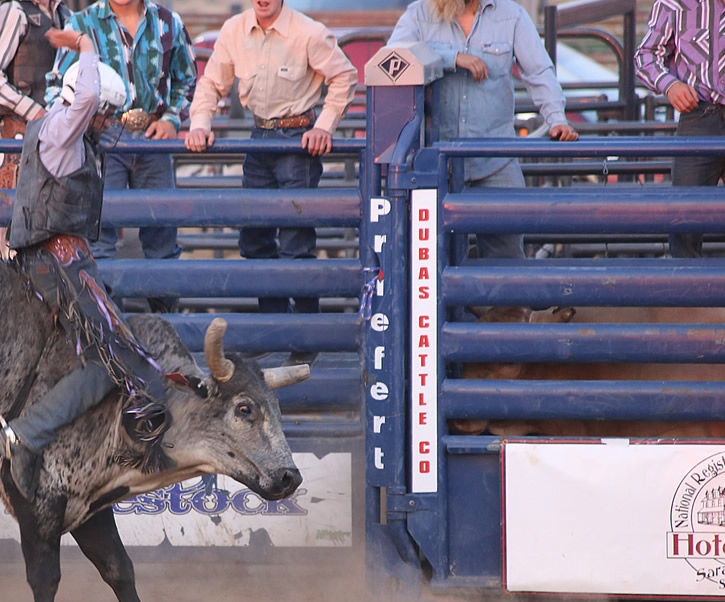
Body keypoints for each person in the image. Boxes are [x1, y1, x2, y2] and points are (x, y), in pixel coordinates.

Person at [0, 28, 171, 501]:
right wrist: (86, 47)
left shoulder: (56, 129)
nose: (107, 121)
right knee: (124, 362)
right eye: (106, 114)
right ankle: (31, 434)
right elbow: (89, 94)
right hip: (60, 264)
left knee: (114, 359)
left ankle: (40, 435)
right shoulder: (62, 128)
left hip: (60, 261)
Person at [185, 0, 357, 364]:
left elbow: (344, 76)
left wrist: (323, 126)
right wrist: (200, 121)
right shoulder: (234, 31)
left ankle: (305, 338)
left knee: (296, 243)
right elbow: (212, 81)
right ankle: (272, 329)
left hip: (298, 140)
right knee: (255, 237)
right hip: (259, 137)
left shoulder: (309, 33)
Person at [389, 0, 578, 261]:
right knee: (433, 259)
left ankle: (505, 301)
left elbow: (539, 72)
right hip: (436, 163)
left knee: (507, 254)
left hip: (495, 158)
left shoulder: (511, 16)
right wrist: (450, 57)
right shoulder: (420, 13)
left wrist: (556, 119)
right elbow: (395, 54)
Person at [48, 0, 198, 314]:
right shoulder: (82, 22)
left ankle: (167, 325)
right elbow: (57, 84)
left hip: (152, 139)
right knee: (99, 237)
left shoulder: (168, 22)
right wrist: (79, 124)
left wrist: (171, 118)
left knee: (162, 236)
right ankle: (111, 331)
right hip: (102, 138)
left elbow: (186, 78)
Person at [639, 0, 725, 258]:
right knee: (685, 224)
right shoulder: (674, 3)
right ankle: (690, 295)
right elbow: (645, 54)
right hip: (697, 117)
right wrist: (670, 86)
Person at [0, 0, 71, 255]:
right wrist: (36, 111)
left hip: (57, 138)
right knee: (6, 223)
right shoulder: (14, 11)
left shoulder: (65, 14)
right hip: (19, 138)